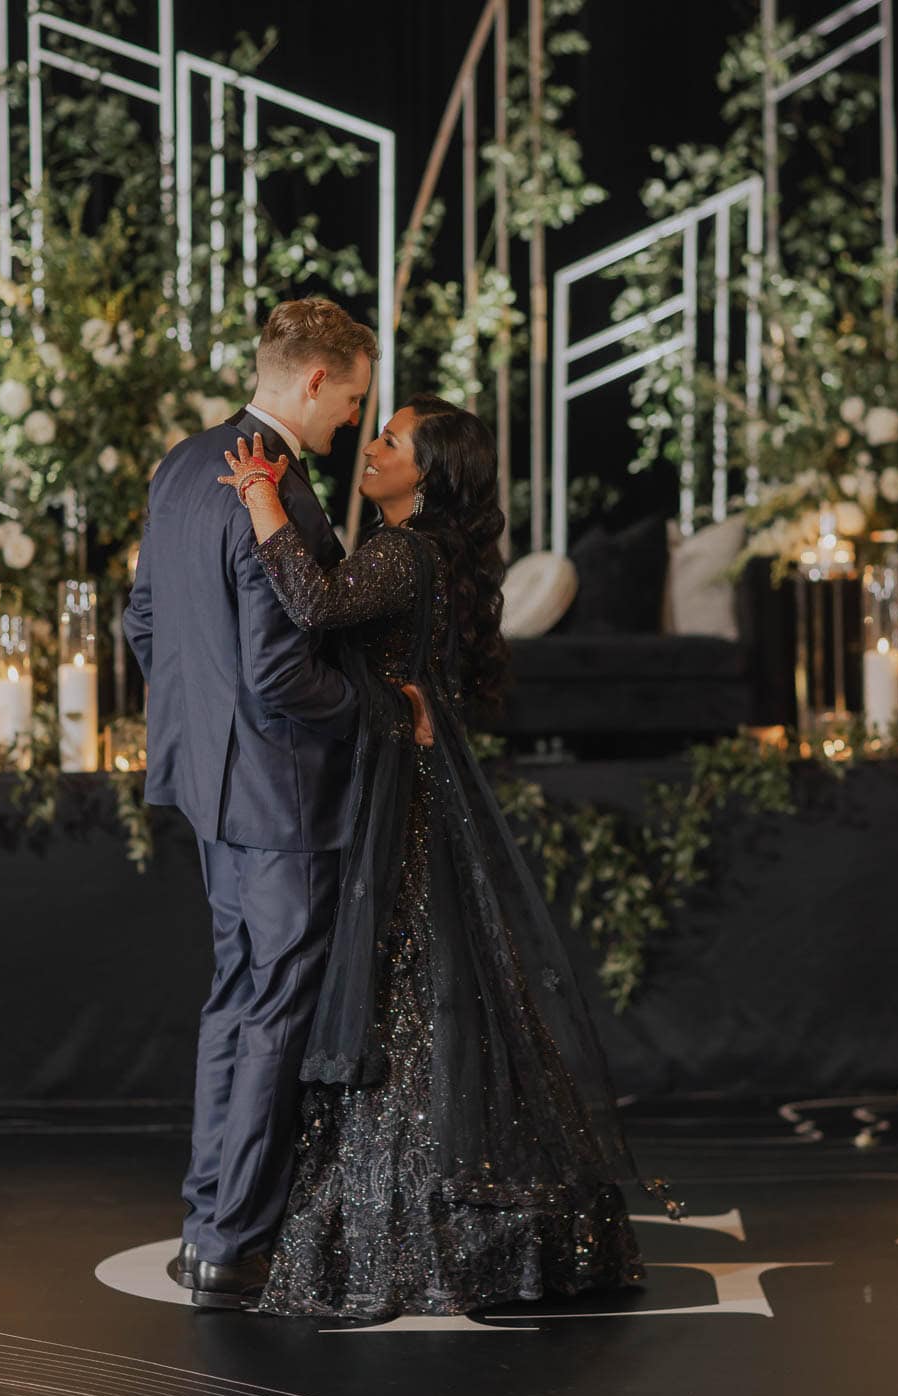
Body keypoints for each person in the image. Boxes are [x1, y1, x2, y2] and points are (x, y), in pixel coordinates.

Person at [216, 396, 680, 1320]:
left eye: (391, 440)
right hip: (409, 782)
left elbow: (315, 604)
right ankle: (474, 1211)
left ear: (426, 473)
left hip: (399, 797)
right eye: (376, 429)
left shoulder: (402, 550)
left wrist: (264, 499)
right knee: (429, 982)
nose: (373, 447)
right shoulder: (420, 552)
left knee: (407, 985)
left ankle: (423, 1224)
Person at [123, 297, 432, 1311]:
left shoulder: (180, 465)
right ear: (312, 382)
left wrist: (198, 725)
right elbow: (278, 676)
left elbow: (145, 623)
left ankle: (207, 1219)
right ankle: (226, 1244)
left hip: (209, 784)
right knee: (269, 1008)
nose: (352, 421)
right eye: (352, 399)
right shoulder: (276, 488)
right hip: (284, 788)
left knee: (237, 996)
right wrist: (378, 707)